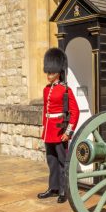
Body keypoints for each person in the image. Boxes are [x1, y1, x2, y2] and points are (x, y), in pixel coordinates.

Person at [37, 47, 80, 203]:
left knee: (62, 162)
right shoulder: (45, 89)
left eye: (51, 72)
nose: (48, 75)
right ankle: (53, 188)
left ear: (59, 71)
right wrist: (43, 130)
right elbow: (45, 111)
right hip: (49, 131)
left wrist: (68, 132)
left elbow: (75, 112)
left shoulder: (65, 90)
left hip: (59, 130)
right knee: (51, 161)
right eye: (47, 72)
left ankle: (64, 190)